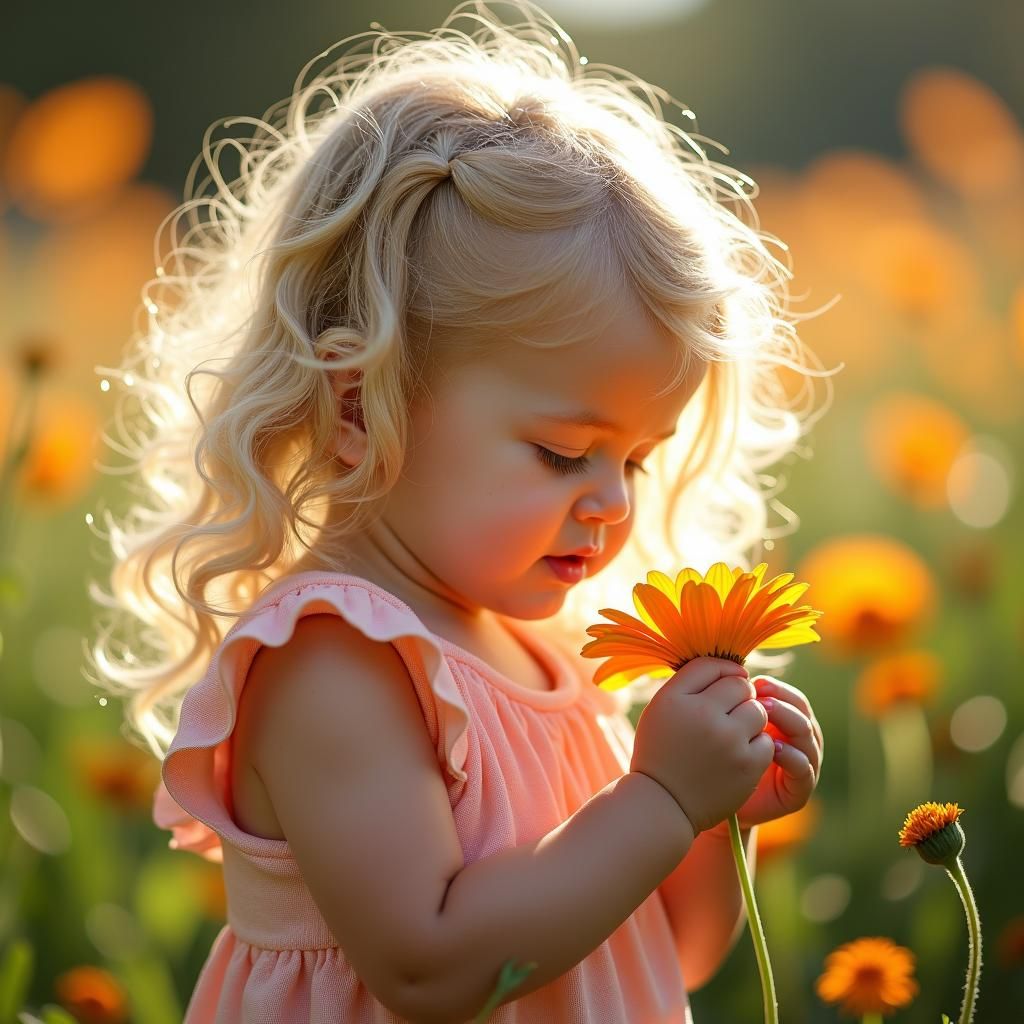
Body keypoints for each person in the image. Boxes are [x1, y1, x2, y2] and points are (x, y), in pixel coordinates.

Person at [87, 1, 832, 1020]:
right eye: (563, 452)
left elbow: (671, 953)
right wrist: (659, 798)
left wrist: (716, 818)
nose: (612, 500)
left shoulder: (550, 653)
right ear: (362, 407)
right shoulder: (337, 662)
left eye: (637, 459)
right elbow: (429, 967)